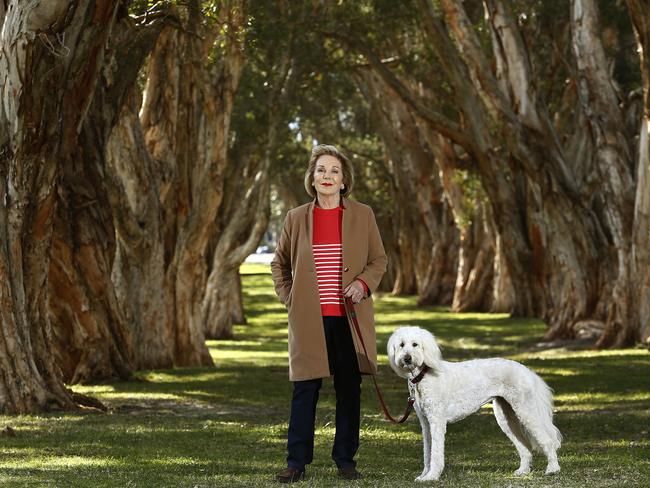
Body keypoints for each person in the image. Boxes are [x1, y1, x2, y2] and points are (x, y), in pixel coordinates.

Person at [271, 144, 388, 483]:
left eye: (334, 171)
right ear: (312, 178)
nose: (327, 176)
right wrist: (289, 297)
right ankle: (296, 462)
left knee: (349, 388)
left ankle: (345, 459)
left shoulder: (362, 215)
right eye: (321, 170)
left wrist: (363, 285)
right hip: (309, 318)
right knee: (305, 389)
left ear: (343, 180)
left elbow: (378, 259)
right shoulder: (296, 218)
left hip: (348, 318)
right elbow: (279, 263)